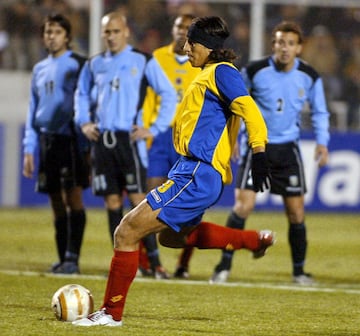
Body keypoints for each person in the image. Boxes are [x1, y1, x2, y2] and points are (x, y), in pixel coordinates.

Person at [73, 16, 274, 327]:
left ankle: (110, 314)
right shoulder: (211, 73)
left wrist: (259, 152)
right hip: (191, 171)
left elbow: (250, 109)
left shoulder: (221, 72)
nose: (185, 48)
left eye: (190, 43)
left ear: (205, 46)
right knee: (174, 238)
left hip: (196, 172)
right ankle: (253, 240)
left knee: (126, 231)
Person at [208, 21, 330, 285]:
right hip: (257, 146)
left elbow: (320, 111)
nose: (283, 48)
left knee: (296, 213)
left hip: (288, 149)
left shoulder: (309, 76)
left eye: (289, 43)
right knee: (242, 207)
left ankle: (299, 272)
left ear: (299, 48)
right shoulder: (255, 70)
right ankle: (223, 267)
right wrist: (235, 137)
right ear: (272, 44)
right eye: (278, 42)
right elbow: (234, 103)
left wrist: (322, 142)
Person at [74, 12, 177, 279]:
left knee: (138, 200)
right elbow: (81, 95)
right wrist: (84, 123)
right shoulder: (94, 64)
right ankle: (121, 259)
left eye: (116, 31)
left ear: (126, 32)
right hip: (102, 140)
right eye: (106, 32)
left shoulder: (142, 61)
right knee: (111, 200)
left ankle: (154, 263)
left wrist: (152, 129)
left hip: (129, 141)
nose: (111, 36)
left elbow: (168, 94)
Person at [22, 13, 89, 274]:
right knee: (55, 200)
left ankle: (73, 257)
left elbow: (86, 99)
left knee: (73, 196)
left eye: (57, 32)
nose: (51, 36)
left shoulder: (77, 64)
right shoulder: (39, 68)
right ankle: (63, 257)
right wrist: (30, 147)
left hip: (70, 139)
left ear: (67, 37)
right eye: (48, 31)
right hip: (47, 140)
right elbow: (32, 109)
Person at [140, 13, 201, 278]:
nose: (181, 32)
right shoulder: (157, 58)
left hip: (188, 139)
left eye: (187, 29)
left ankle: (183, 264)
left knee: (192, 207)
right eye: (178, 27)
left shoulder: (200, 63)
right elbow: (149, 98)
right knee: (150, 199)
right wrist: (146, 131)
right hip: (162, 138)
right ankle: (151, 263)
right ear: (173, 30)